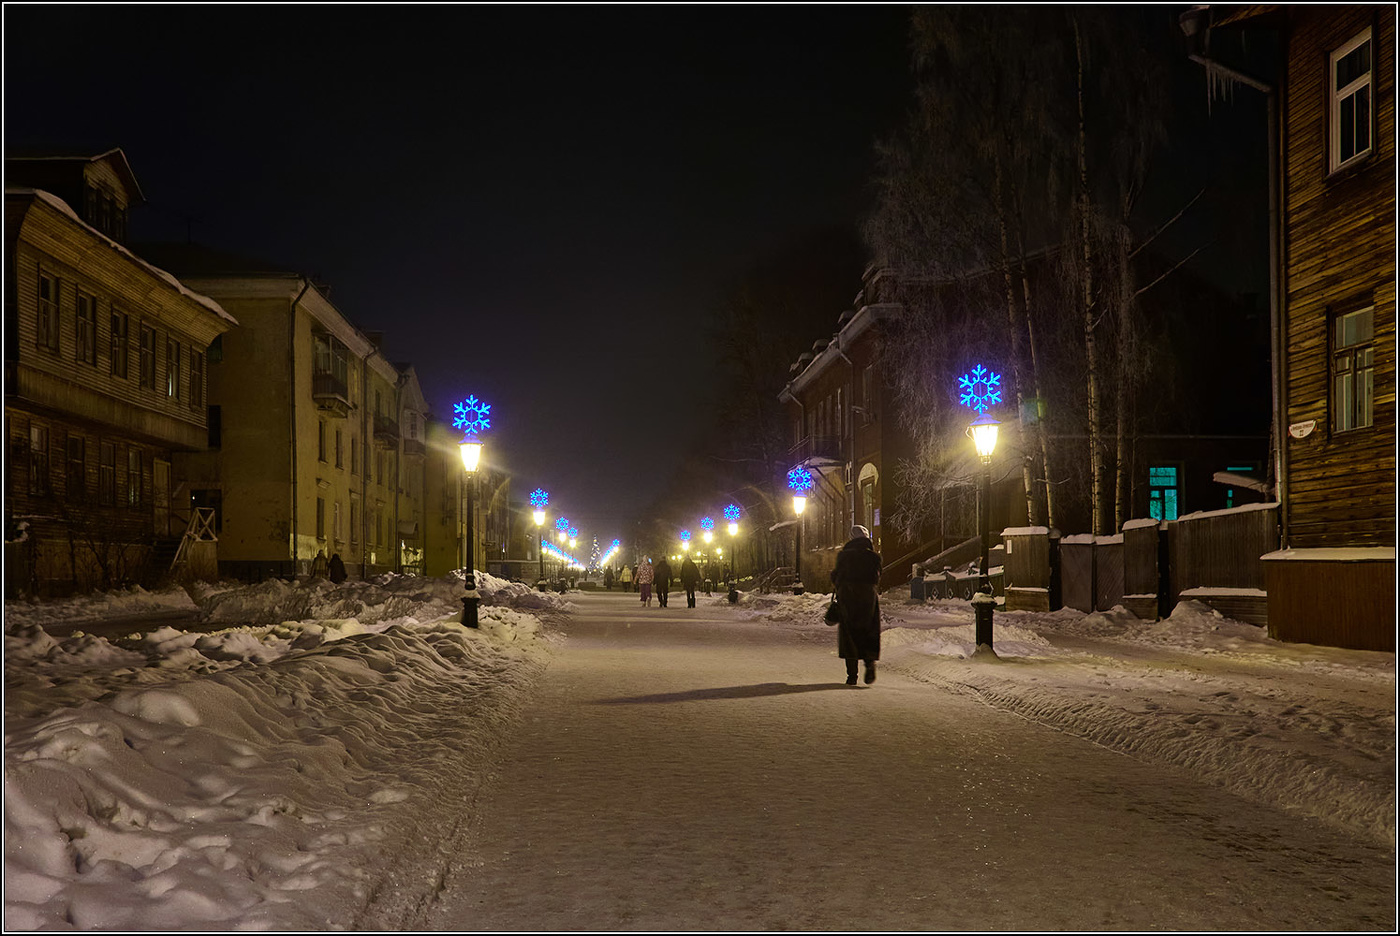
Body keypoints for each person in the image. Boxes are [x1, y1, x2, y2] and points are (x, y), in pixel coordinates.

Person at [831, 525, 882, 685]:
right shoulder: (874, 557)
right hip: (868, 597)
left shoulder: (844, 556)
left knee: (849, 634)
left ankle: (852, 675)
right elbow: (877, 577)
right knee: (868, 631)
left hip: (848, 597)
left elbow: (837, 576)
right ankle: (869, 663)